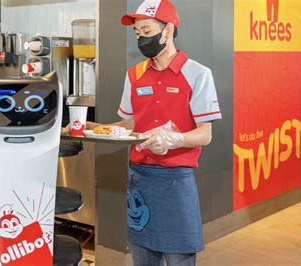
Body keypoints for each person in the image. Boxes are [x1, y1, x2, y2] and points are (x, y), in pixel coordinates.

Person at [83, 1, 222, 265]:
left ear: (168, 31)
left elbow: (205, 135)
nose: (141, 39)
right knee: (143, 256)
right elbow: (128, 126)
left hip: (176, 182)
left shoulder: (198, 74)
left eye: (147, 31)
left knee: (179, 257)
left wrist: (175, 139)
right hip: (140, 180)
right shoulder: (134, 75)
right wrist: (94, 129)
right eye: (137, 34)